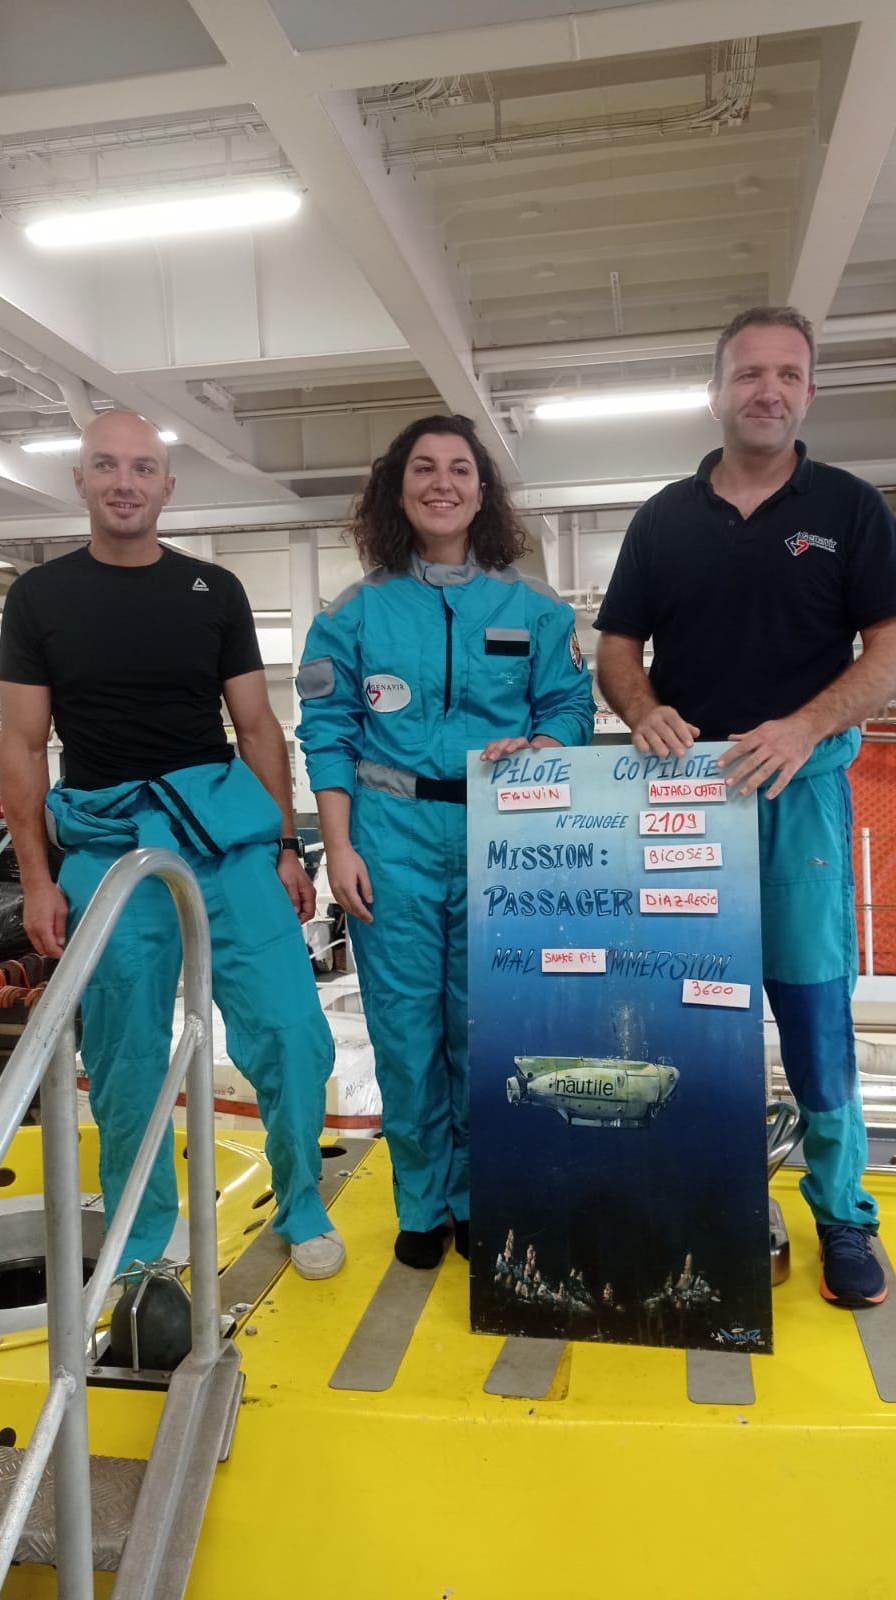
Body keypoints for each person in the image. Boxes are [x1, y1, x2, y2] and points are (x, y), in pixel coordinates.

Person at [595, 306, 896, 1310]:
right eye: (747, 373)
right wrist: (643, 709)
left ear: (809, 392)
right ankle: (702, 1203)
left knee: (814, 1017)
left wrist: (805, 726)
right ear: (716, 392)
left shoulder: (850, 509)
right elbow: (616, 649)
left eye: (786, 374)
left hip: (797, 795)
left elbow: (895, 645)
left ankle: (842, 1213)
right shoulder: (662, 519)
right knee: (687, 1022)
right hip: (686, 803)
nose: (766, 390)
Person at [0, 410, 343, 1281]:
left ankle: (302, 1206)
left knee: (295, 1032)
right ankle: (142, 1240)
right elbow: (23, 745)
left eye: (143, 468)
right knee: (125, 1062)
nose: (126, 483)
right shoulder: (39, 598)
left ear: (168, 486)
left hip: (224, 842)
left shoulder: (213, 591)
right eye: (107, 466)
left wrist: (287, 846)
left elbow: (257, 727)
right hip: (111, 851)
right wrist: (37, 880)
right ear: (80, 479)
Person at [296, 414, 596, 1269]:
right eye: (424, 468)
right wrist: (338, 848)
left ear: (482, 489)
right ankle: (423, 1201)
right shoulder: (352, 615)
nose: (442, 483)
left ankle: (479, 1196)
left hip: (504, 839)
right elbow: (327, 733)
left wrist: (546, 746)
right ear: (397, 490)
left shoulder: (534, 608)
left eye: (460, 469)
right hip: (390, 839)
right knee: (404, 1030)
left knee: (485, 1027)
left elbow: (570, 706)